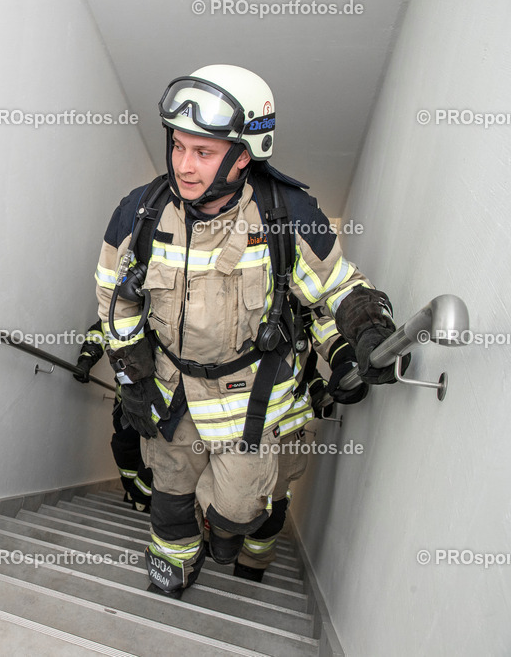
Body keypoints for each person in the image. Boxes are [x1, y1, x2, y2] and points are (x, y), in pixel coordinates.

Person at [93, 64, 405, 598]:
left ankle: (231, 534)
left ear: (244, 156)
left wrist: (369, 329)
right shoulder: (139, 213)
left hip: (249, 402)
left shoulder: (288, 217)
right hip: (170, 391)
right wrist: (133, 379)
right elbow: (114, 299)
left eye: (204, 152)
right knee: (168, 490)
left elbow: (338, 289)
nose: (184, 166)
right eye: (179, 147)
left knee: (239, 509)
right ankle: (175, 560)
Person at [233, 307, 368, 581]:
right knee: (225, 488)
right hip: (230, 419)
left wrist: (343, 358)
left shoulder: (292, 280)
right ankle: (221, 542)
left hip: (284, 426)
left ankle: (252, 563)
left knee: (272, 501)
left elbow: (321, 321)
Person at [76, 320, 153, 512]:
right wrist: (87, 359)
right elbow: (99, 332)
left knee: (157, 453)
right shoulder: (126, 308)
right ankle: (131, 491)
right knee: (124, 447)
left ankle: (142, 497)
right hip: (126, 401)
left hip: (161, 404)